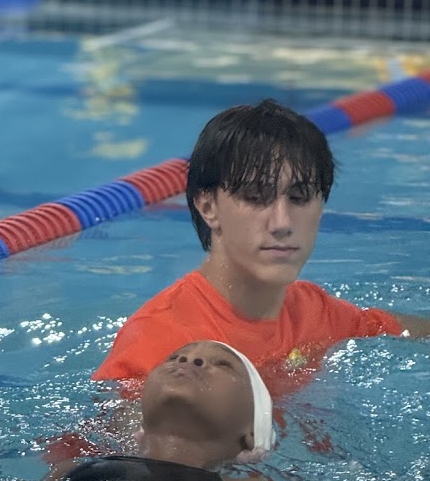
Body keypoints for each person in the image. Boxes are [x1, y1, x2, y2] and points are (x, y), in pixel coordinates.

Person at [93, 99, 430, 385]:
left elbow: (408, 331)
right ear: (208, 207)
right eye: (256, 197)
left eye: (299, 197)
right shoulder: (160, 346)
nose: (282, 223)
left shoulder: (316, 314)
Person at [43, 340, 278, 481]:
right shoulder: (68, 471)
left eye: (223, 364)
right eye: (175, 357)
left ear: (251, 433)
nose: (188, 360)